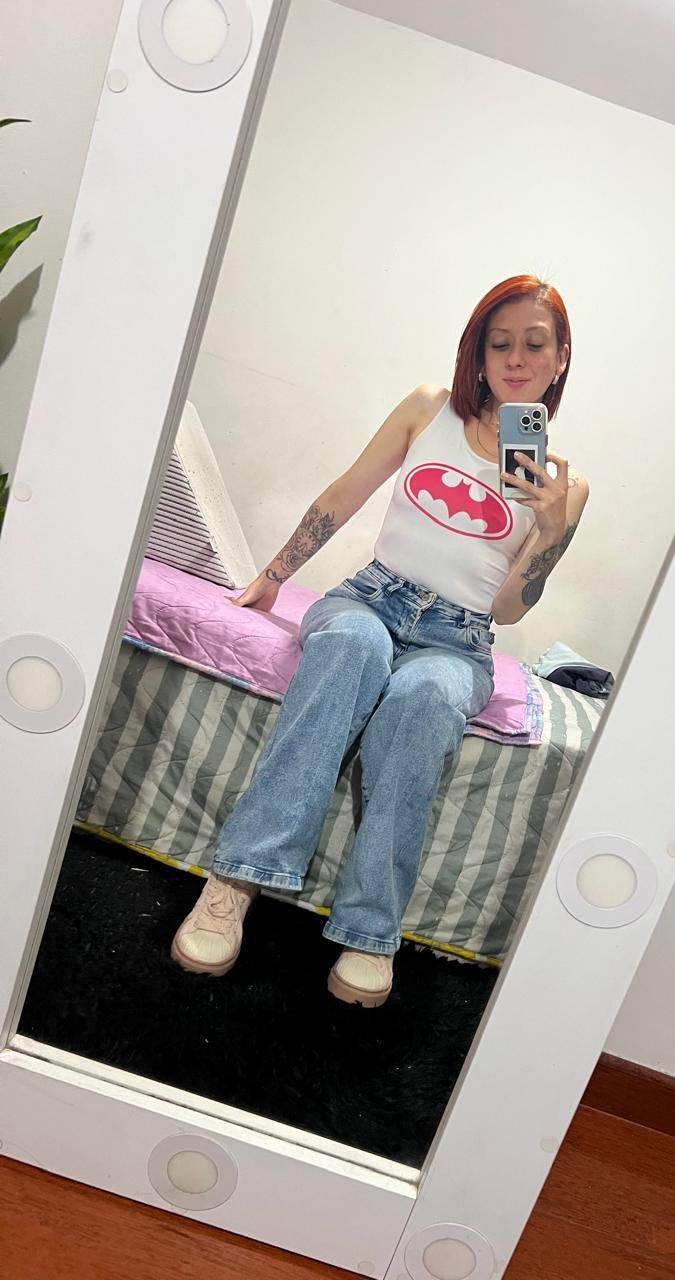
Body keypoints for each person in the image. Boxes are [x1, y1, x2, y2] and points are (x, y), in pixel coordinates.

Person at [170, 275, 589, 1007]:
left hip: (459, 640)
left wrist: (550, 531)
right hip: (371, 598)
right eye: (500, 343)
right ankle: (236, 878)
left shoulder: (566, 487)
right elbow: (346, 493)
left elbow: (510, 609)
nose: (516, 360)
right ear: (478, 352)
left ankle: (369, 929)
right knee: (354, 650)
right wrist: (273, 575)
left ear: (559, 360)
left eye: (534, 345)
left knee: (424, 697)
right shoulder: (430, 408)